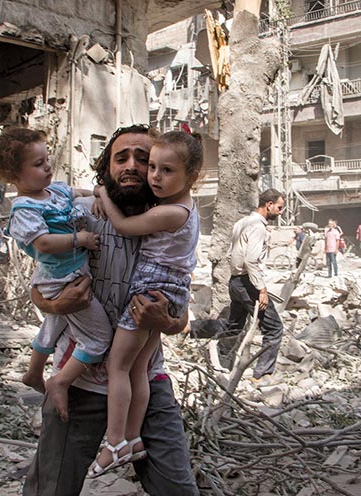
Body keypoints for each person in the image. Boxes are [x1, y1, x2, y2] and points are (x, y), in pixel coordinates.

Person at [22, 124, 199, 496]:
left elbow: (181, 316)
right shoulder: (79, 214)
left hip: (145, 383)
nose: (134, 166)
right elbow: (41, 288)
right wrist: (56, 304)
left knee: (178, 490)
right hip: (79, 382)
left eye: (145, 159)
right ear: (106, 169)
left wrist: (165, 319)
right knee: (50, 489)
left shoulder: (171, 222)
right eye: (122, 158)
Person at [89, 131, 200, 478]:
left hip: (151, 291)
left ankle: (115, 442)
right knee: (136, 368)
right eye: (152, 167)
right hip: (165, 289)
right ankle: (133, 439)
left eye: (165, 169)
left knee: (119, 366)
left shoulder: (165, 213)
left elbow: (122, 225)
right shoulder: (176, 208)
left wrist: (103, 193)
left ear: (192, 176)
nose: (152, 175)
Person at [0, 127, 111, 421]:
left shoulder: (53, 191)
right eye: (38, 164)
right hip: (60, 278)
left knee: (54, 325)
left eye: (47, 160)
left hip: (66, 273)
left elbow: (76, 192)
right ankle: (61, 380)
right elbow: (42, 242)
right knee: (98, 337)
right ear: (15, 176)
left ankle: (33, 372)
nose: (47, 167)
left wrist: (98, 193)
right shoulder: (25, 208)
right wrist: (79, 240)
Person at [222, 188, 286, 382]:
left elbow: (230, 253)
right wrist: (262, 289)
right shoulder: (257, 227)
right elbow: (251, 260)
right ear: (269, 205)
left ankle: (192, 329)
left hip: (235, 281)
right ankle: (263, 374)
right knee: (274, 328)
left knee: (232, 327)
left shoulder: (242, 222)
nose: (280, 212)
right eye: (279, 207)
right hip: (248, 282)